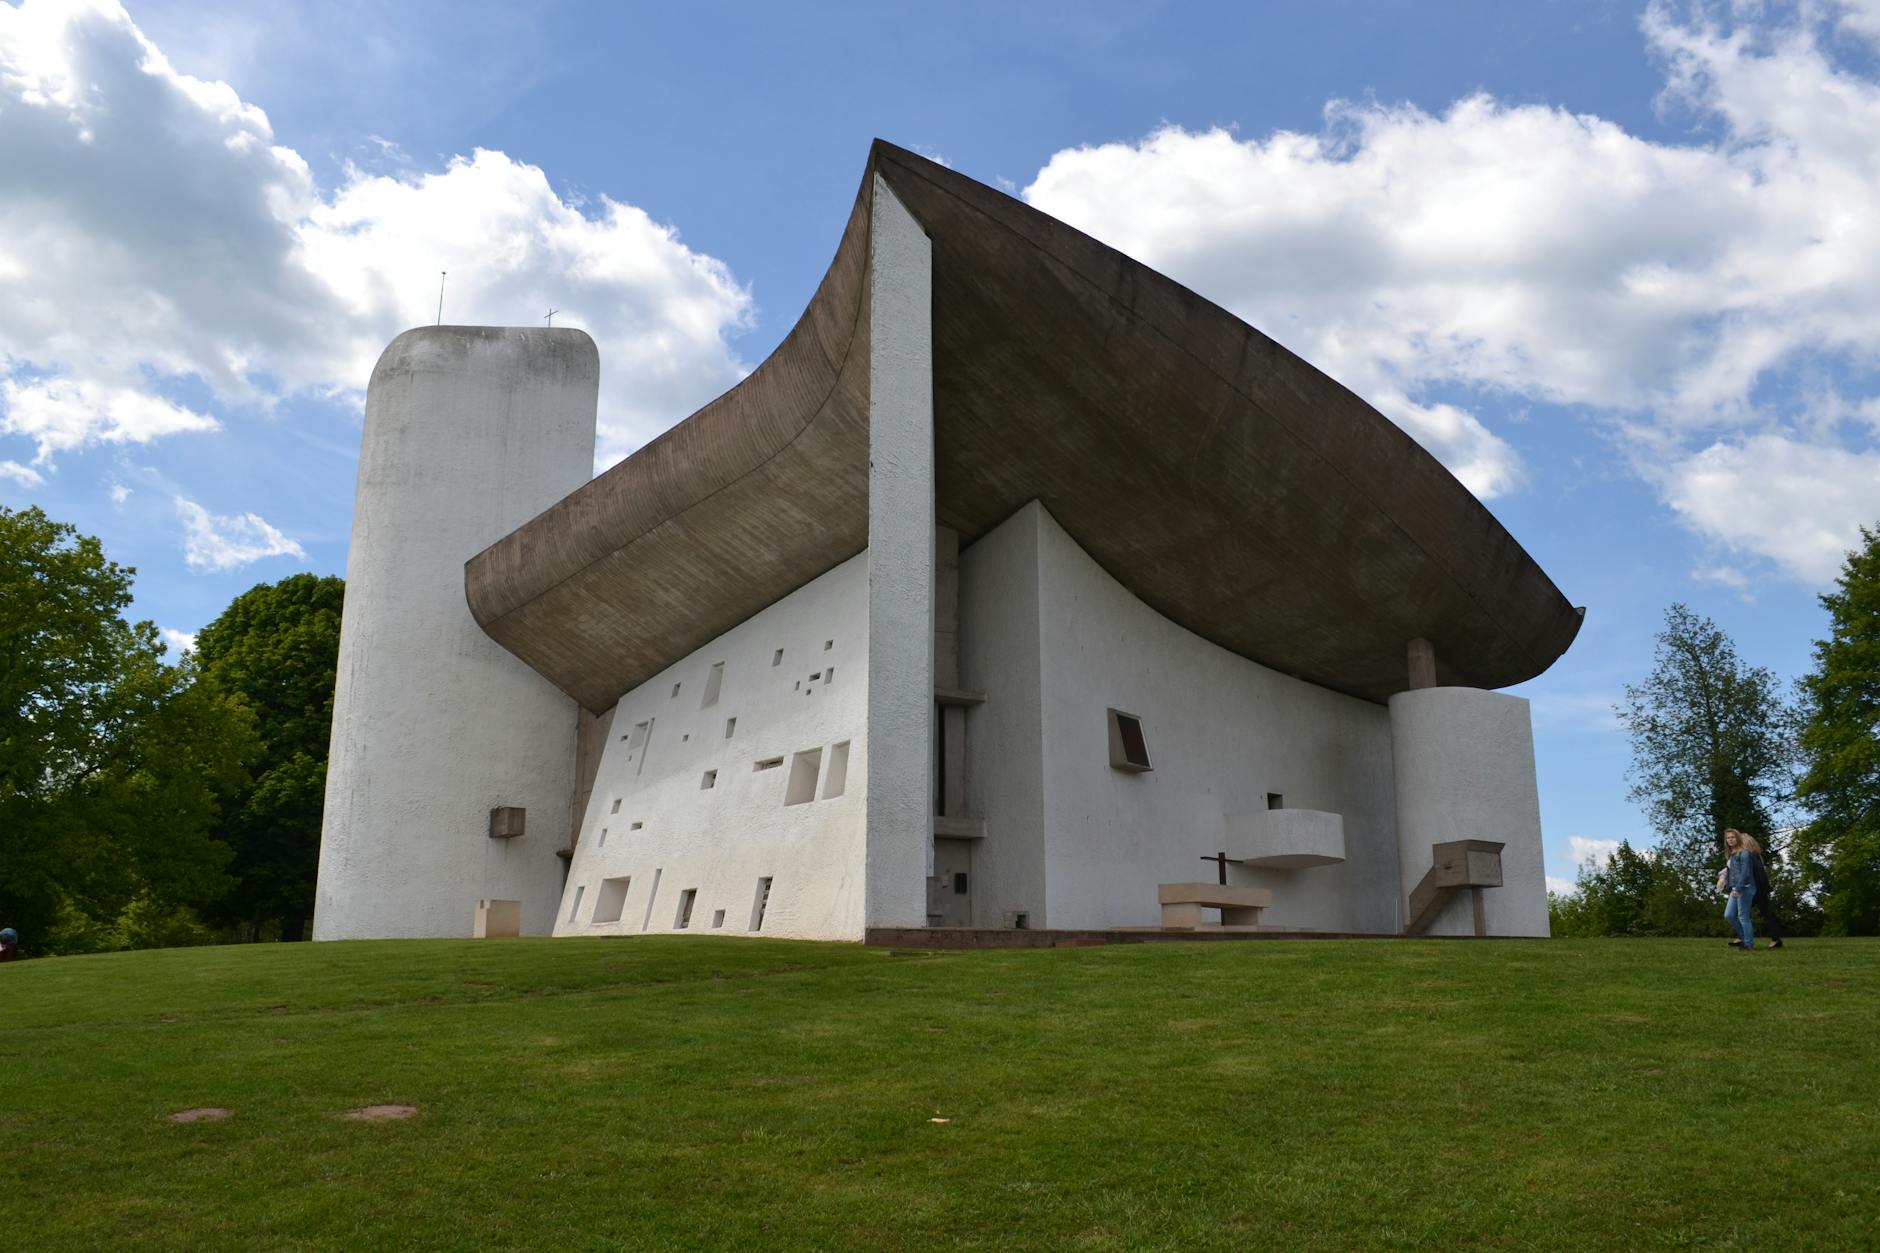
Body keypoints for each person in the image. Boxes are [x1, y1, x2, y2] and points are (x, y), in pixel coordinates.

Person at [1721, 829, 1757, 951]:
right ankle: (1744, 938)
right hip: (1736, 888)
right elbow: (1733, 870)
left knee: (1743, 917)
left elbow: (1745, 873)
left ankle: (1749, 944)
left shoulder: (1744, 853)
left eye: (1733, 837)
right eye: (1728, 838)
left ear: (1738, 838)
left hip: (1745, 887)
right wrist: (1724, 876)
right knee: (1729, 915)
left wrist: (1738, 888)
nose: (1730, 840)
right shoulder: (1732, 854)